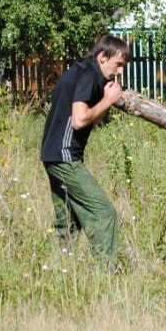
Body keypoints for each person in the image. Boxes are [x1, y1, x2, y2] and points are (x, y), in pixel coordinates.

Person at [40, 35, 130, 270]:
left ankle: (54, 270)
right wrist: (108, 100)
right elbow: (80, 120)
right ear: (103, 56)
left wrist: (105, 100)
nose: (120, 71)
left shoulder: (80, 70)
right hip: (65, 155)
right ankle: (106, 274)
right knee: (104, 213)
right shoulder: (89, 75)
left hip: (52, 155)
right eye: (118, 64)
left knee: (67, 221)